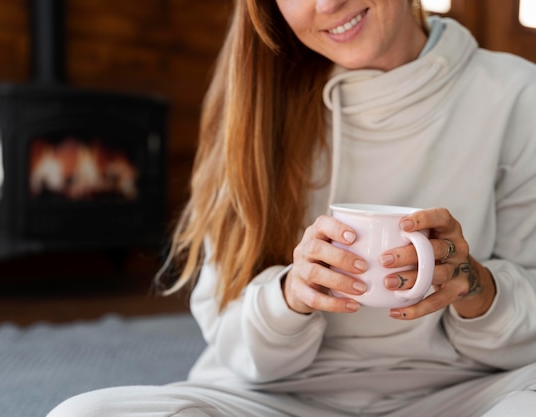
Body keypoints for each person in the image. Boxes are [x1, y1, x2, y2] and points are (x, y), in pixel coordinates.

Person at [47, 0, 536, 416]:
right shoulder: (256, 106)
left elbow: (527, 339)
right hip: (276, 402)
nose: (325, 6)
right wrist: (290, 296)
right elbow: (234, 343)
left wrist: (475, 285)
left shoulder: (516, 95)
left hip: (460, 398)